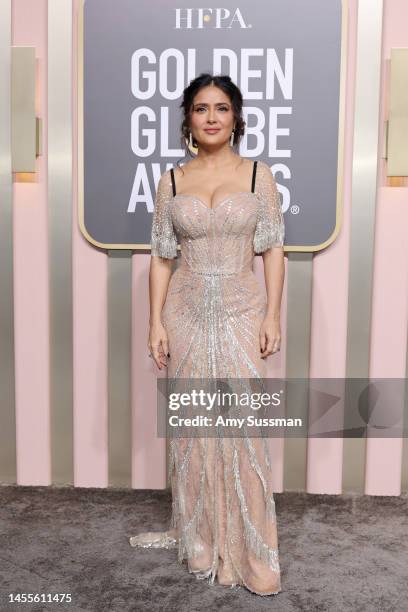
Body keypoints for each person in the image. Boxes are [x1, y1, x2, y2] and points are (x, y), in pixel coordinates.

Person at [129, 73, 285, 597]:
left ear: (236, 118)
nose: (211, 117)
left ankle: (251, 553)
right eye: (201, 108)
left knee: (241, 426)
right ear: (188, 119)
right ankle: (198, 537)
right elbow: (161, 258)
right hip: (187, 310)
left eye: (221, 108)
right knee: (195, 427)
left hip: (242, 308)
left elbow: (273, 251)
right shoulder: (171, 180)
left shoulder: (260, 175)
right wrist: (154, 321)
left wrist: (272, 316)